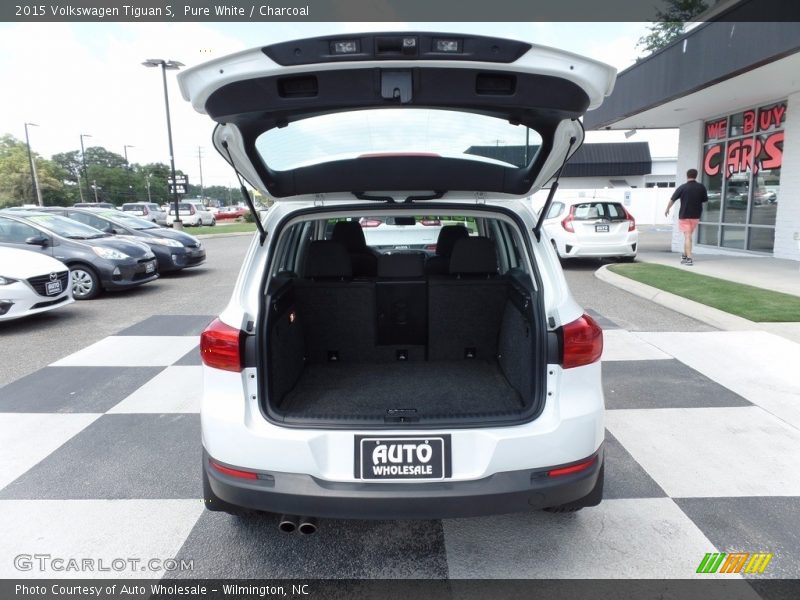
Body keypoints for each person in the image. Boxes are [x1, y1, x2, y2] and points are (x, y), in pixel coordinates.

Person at [665, 168, 708, 266]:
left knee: (687, 237)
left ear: (687, 175)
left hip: (684, 215)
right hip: (696, 216)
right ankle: (684, 256)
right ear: (696, 175)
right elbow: (705, 200)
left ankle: (689, 258)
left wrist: (667, 209)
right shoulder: (701, 187)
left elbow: (672, 199)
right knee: (688, 237)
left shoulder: (682, 187)